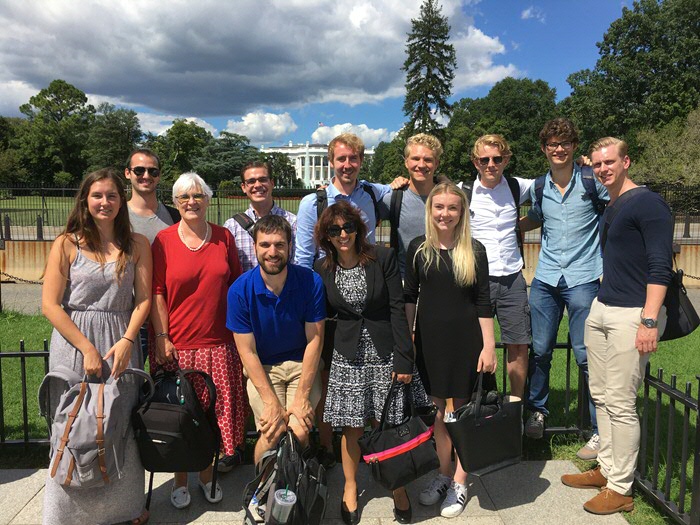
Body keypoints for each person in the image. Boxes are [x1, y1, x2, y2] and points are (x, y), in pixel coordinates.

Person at [561, 137, 673, 514]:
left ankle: (621, 487)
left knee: (622, 403)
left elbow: (661, 267)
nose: (603, 169)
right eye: (596, 164)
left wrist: (648, 320)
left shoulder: (648, 203)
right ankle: (606, 469)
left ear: (627, 161)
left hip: (632, 314)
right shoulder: (612, 204)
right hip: (603, 308)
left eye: (610, 162)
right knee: (602, 395)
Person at [41, 169, 152, 525]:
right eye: (97, 196)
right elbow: (50, 304)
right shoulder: (66, 244)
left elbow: (143, 301)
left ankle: (125, 506)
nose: (105, 202)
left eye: (112, 196)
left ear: (122, 201)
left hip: (120, 339)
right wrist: (87, 348)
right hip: (76, 342)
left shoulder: (137, 244)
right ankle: (66, 512)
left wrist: (127, 340)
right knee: (74, 425)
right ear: (85, 201)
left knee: (118, 422)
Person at [313, 201, 429, 525]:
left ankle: (398, 487)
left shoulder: (383, 258)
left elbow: (396, 308)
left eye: (348, 227)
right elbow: (319, 316)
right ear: (327, 236)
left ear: (358, 229)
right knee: (351, 428)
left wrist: (405, 358)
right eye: (334, 230)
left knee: (387, 425)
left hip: (385, 351)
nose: (343, 234)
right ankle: (350, 487)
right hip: (347, 355)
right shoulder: (323, 269)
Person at [150, 172, 247, 510]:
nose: (191, 202)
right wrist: (162, 337)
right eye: (183, 197)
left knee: (209, 417)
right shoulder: (163, 241)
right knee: (179, 417)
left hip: (219, 344)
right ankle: (179, 480)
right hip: (177, 347)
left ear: (207, 199)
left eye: (198, 195)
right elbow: (157, 293)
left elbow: (236, 286)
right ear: (176, 203)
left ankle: (205, 476)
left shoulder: (223, 237)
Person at [294, 132, 391, 469]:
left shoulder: (374, 195)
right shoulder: (313, 203)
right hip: (327, 298)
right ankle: (325, 448)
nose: (347, 165)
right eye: (341, 159)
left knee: (370, 376)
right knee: (324, 375)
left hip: (364, 298)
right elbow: (304, 258)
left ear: (361, 161)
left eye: (353, 159)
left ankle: (375, 449)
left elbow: (414, 187)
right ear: (331, 161)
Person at [404, 182, 496, 519]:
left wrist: (488, 346)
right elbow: (410, 297)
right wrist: (408, 337)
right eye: (438, 207)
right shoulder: (418, 248)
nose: (445, 214)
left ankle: (461, 479)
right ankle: (443, 473)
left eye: (452, 208)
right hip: (430, 342)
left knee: (461, 414)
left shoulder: (475, 250)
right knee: (438, 413)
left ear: (462, 212)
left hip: (466, 341)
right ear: (430, 211)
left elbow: (484, 301)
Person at [521, 118, 607, 461]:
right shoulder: (539, 186)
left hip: (584, 277)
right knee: (539, 350)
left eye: (565, 143)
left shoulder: (591, 180)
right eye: (552, 144)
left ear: (574, 147)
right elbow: (536, 217)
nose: (559, 149)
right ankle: (537, 412)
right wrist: (499, 231)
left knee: (587, 356)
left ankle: (600, 430)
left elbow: (616, 205)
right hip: (545, 279)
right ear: (544, 149)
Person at [227, 214, 325, 464]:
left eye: (280, 245)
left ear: (290, 247)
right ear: (255, 247)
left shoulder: (310, 281)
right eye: (265, 245)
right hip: (264, 368)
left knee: (299, 430)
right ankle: (262, 490)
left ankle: (294, 490)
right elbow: (247, 352)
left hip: (301, 365)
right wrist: (271, 402)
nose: (272, 252)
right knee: (272, 432)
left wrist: (302, 396)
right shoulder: (240, 290)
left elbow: (315, 340)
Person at [465, 134, 532, 400]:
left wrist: (582, 166)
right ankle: (476, 401)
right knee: (473, 344)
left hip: (512, 277)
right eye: (484, 159)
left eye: (497, 158)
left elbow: (555, 179)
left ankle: (515, 406)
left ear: (506, 159)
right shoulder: (464, 191)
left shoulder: (519, 187)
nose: (490, 164)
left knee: (518, 344)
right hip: (476, 278)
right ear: (475, 161)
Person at [379, 133, 442, 277]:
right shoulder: (391, 199)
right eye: (415, 159)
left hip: (442, 279)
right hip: (404, 280)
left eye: (428, 159)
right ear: (406, 162)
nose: (421, 165)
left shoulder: (448, 199)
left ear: (436, 163)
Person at [223, 160, 298, 273]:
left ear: (272, 183)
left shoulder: (293, 222)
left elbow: (299, 264)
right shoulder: (232, 226)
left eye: (263, 180)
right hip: (246, 290)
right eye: (251, 181)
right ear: (243, 187)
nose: (257, 185)